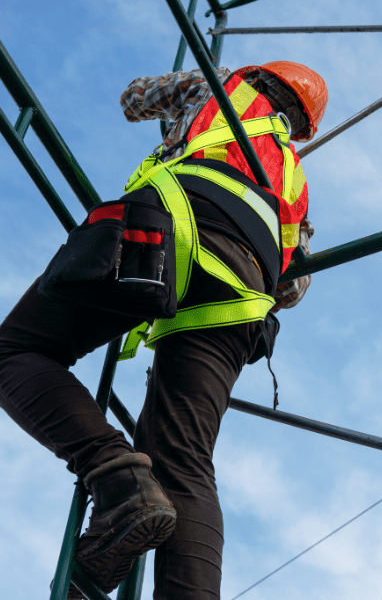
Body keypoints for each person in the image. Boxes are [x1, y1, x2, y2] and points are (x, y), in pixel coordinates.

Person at [0, 61, 327, 599]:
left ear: (259, 78)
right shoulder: (295, 182)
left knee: (17, 350)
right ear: (302, 125)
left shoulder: (218, 87)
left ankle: (117, 477)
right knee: (186, 464)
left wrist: (178, 129)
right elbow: (292, 289)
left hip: (169, 232)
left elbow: (134, 99)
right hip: (241, 297)